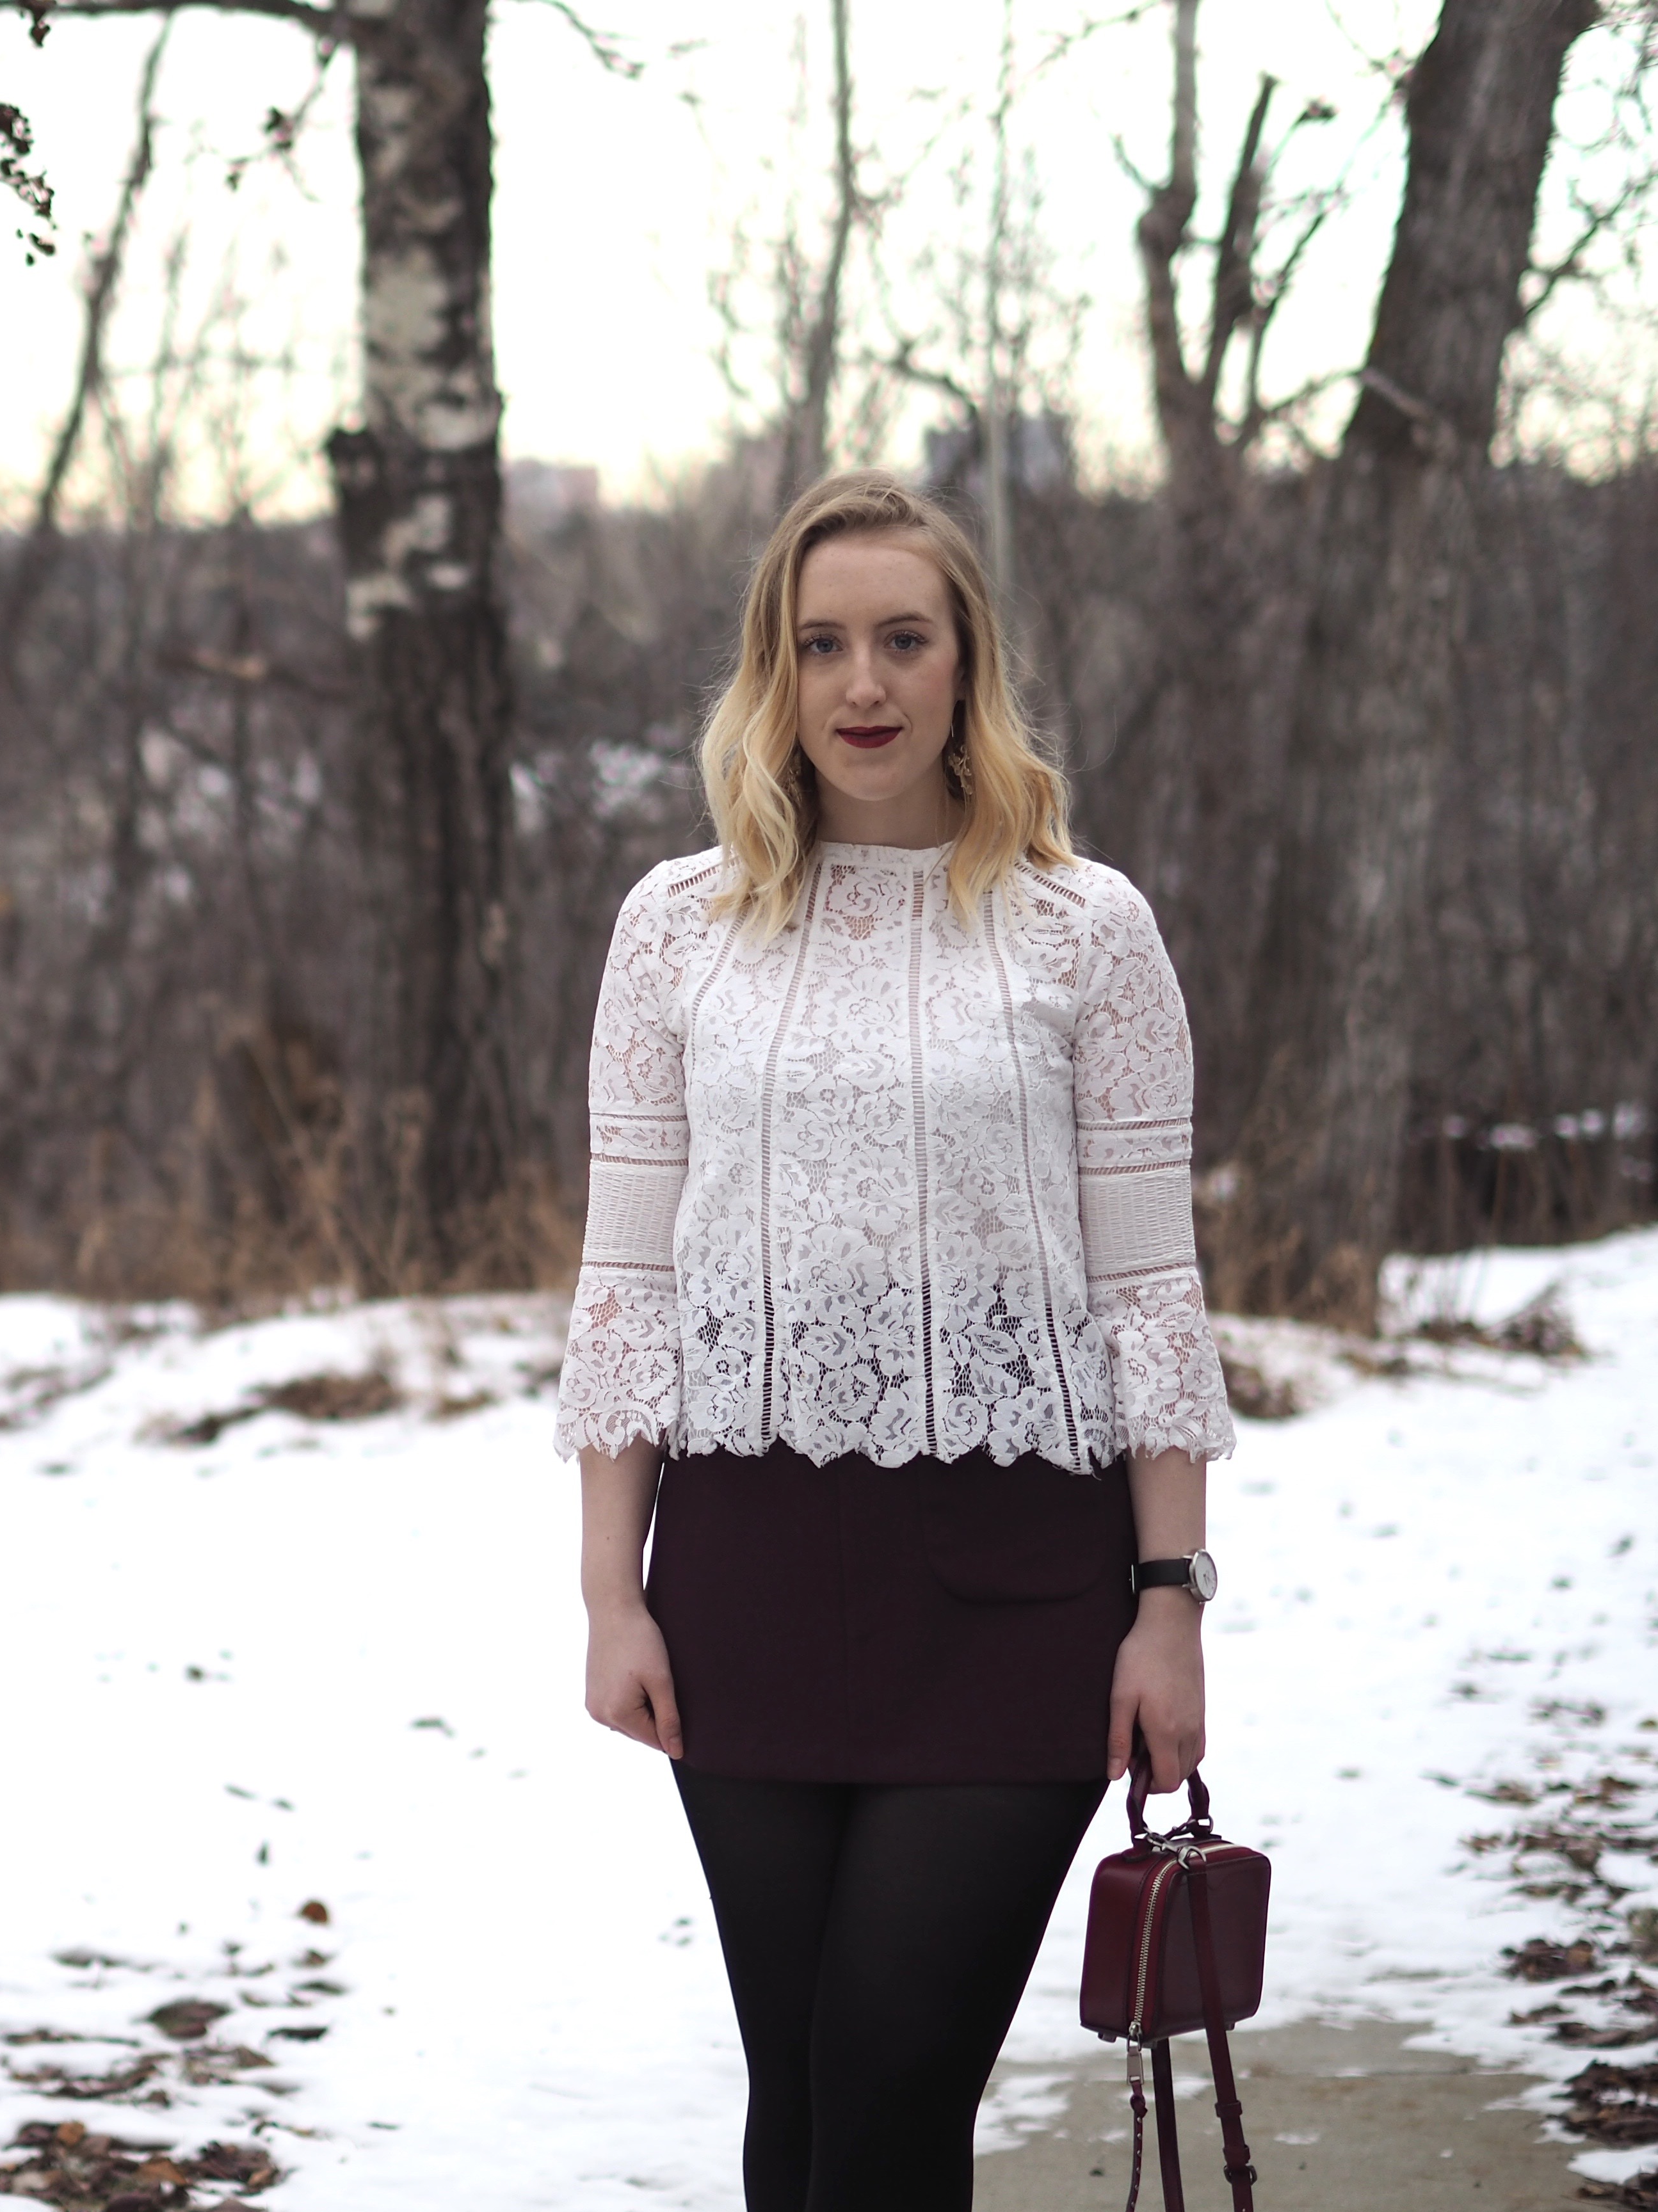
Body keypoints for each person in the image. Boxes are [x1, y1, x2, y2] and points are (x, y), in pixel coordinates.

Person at [557, 470, 1235, 2212]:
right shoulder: (676, 928)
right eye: (823, 645)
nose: (864, 684)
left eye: (904, 641)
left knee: (887, 2089)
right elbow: (626, 1275)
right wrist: (611, 1591)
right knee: (800, 2115)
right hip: (747, 1579)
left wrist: (1172, 1604)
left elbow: (1149, 1290)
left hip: (1015, 1589)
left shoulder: (1087, 929)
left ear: (966, 664)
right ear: (773, 677)